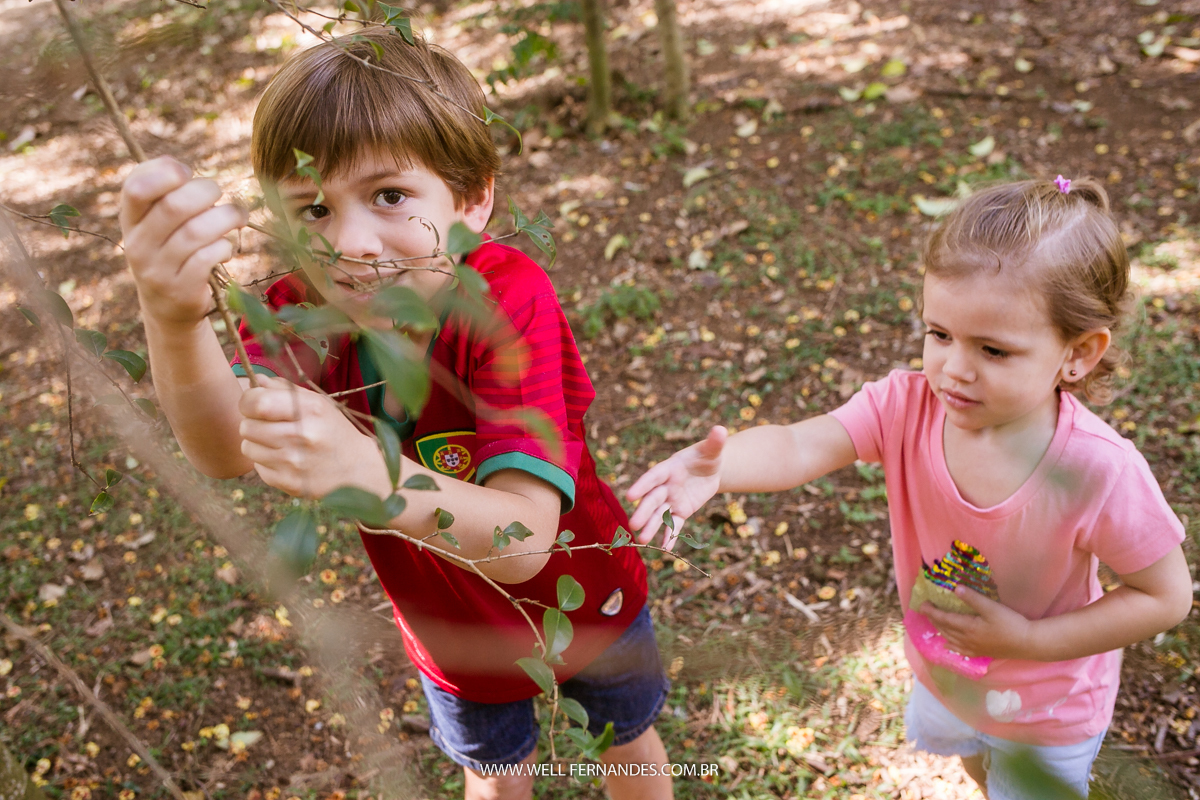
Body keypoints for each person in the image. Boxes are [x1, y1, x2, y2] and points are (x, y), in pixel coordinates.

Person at [118, 27, 672, 800]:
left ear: (474, 198)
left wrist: (370, 476)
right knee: (496, 772)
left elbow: (523, 541)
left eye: (388, 195)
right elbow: (222, 450)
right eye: (312, 208)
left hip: (585, 602)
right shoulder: (296, 313)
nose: (348, 243)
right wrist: (171, 320)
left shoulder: (509, 302)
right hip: (451, 630)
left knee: (624, 744)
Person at [627, 178, 1192, 798]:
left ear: (1078, 353)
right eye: (939, 334)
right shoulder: (906, 406)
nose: (954, 367)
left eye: (994, 350)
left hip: (1048, 713)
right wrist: (721, 465)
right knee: (977, 766)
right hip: (946, 672)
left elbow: (1164, 597)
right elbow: (802, 443)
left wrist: (1029, 641)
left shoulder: (1099, 470)